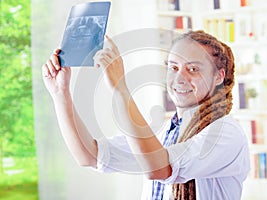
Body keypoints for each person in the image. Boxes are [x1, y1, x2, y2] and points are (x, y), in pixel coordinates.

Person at [42, 30, 250, 200]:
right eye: (173, 67)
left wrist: (121, 88)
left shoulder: (225, 132)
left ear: (218, 77)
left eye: (193, 69)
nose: (179, 77)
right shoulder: (163, 133)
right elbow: (89, 155)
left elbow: (159, 168)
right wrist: (60, 93)